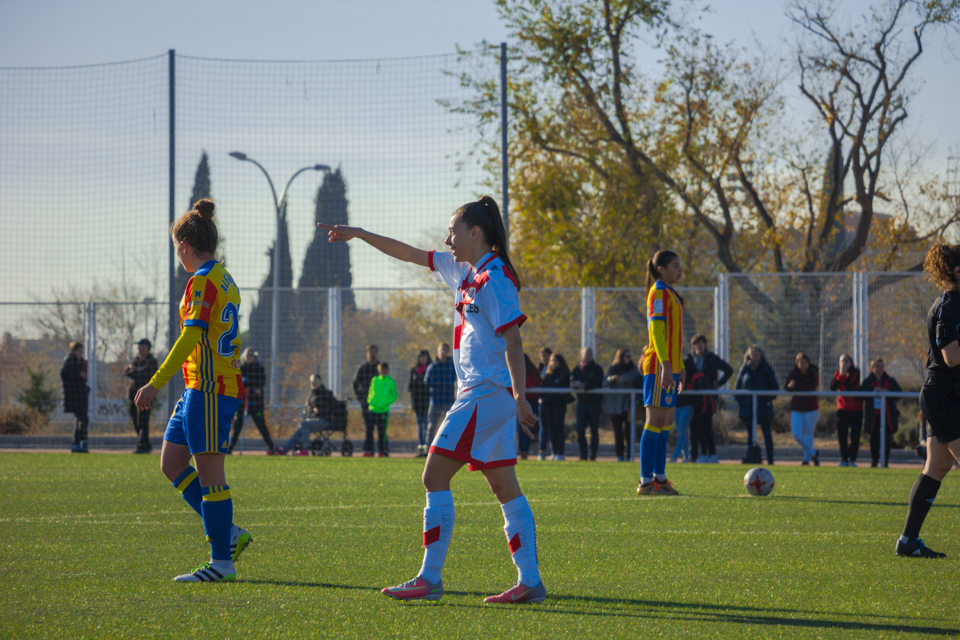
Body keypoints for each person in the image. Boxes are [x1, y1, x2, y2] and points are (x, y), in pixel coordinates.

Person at [319, 195, 545, 604]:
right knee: (504, 487)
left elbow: (513, 338)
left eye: (453, 231)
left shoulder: (495, 278)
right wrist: (360, 234)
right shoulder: (464, 270)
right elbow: (407, 253)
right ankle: (529, 581)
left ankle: (430, 577)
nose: (447, 238)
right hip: (486, 396)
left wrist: (520, 396)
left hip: (484, 394)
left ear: (476, 233)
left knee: (433, 476)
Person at [133, 199, 252, 583]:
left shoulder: (202, 280)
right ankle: (229, 533)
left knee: (211, 475)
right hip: (198, 388)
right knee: (171, 463)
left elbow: (191, 337)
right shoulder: (224, 277)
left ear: (183, 245)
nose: (177, 256)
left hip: (212, 389)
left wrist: (154, 382)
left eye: (175, 249)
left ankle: (222, 562)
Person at [896, 241, 960, 558]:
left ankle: (908, 541)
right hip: (945, 396)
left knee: (938, 466)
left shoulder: (952, 301)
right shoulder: (950, 304)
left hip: (943, 394)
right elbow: (951, 357)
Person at [637, 250, 685, 496]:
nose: (680, 270)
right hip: (658, 367)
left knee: (666, 422)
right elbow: (656, 331)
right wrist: (666, 364)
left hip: (670, 367)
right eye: (675, 266)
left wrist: (680, 366)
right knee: (654, 421)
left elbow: (673, 335)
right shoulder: (658, 292)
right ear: (661, 270)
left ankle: (660, 478)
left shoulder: (671, 294)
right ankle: (645, 483)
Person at [683, 335, 733, 464]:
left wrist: (718, 383)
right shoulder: (688, 360)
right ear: (693, 345)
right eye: (697, 343)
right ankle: (698, 455)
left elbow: (729, 370)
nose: (700, 345)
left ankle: (708, 454)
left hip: (708, 397)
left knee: (702, 426)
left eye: (702, 343)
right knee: (695, 426)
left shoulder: (712, 358)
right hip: (694, 398)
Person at [227, 348, 276, 455]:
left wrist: (249, 383)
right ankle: (230, 448)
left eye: (251, 355)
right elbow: (238, 383)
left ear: (255, 357)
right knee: (238, 425)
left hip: (255, 403)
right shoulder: (240, 368)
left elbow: (260, 383)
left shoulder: (259, 368)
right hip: (241, 403)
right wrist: (248, 384)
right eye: (247, 355)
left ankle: (271, 447)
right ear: (243, 356)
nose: (249, 357)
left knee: (261, 424)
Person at [735, 345, 778, 465]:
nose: (755, 357)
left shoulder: (767, 369)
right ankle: (751, 459)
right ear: (748, 356)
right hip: (748, 409)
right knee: (750, 437)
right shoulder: (744, 369)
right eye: (752, 355)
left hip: (763, 409)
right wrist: (742, 402)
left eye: (757, 355)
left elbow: (774, 388)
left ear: (761, 356)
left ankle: (770, 460)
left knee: (767, 435)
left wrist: (764, 399)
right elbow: (737, 388)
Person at [278, 374, 336, 455]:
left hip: (324, 420)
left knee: (304, 424)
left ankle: (305, 449)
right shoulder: (311, 394)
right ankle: (285, 449)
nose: (313, 384)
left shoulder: (326, 394)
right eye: (312, 382)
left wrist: (320, 410)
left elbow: (332, 408)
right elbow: (308, 407)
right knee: (301, 427)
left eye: (315, 382)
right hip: (312, 420)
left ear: (320, 382)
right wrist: (312, 409)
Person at [859, 358, 901, 468]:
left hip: (887, 416)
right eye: (877, 366)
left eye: (881, 366)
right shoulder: (868, 381)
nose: (879, 369)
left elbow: (899, 393)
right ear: (872, 368)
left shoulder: (889, 380)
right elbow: (860, 394)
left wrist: (888, 392)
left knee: (887, 440)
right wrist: (872, 392)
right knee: (874, 440)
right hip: (874, 416)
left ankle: (885, 462)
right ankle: (874, 462)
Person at [602, 348, 639, 462]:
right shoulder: (613, 368)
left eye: (630, 356)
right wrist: (612, 378)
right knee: (618, 432)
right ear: (621, 357)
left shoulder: (634, 369)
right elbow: (604, 383)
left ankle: (629, 455)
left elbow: (637, 379)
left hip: (628, 405)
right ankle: (620, 455)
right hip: (614, 405)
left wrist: (624, 379)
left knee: (629, 431)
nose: (629, 358)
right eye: (626, 356)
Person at [124, 338, 159, 453]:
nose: (139, 349)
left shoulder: (152, 361)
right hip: (133, 394)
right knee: (134, 418)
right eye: (139, 347)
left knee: (143, 420)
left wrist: (135, 371)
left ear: (148, 348)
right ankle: (146, 444)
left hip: (146, 396)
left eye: (141, 347)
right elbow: (126, 372)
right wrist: (137, 370)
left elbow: (147, 375)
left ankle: (141, 445)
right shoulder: (135, 359)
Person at [786, 353, 821, 466]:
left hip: (811, 408)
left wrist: (796, 385)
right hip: (797, 407)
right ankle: (813, 453)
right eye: (801, 362)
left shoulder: (813, 372)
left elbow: (811, 386)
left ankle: (806, 460)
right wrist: (790, 386)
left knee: (808, 434)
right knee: (796, 433)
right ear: (797, 363)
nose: (803, 364)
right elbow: (787, 386)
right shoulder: (793, 373)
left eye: (805, 362)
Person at [571, 346, 605, 461]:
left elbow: (598, 383)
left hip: (594, 404)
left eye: (590, 353)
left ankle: (592, 455)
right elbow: (571, 382)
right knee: (580, 430)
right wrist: (574, 385)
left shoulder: (597, 369)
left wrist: (584, 386)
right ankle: (583, 455)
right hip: (581, 404)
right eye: (586, 353)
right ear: (581, 355)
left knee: (594, 431)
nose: (588, 355)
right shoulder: (576, 370)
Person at [830, 354, 863, 467]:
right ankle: (844, 459)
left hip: (856, 409)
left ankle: (852, 459)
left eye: (846, 361)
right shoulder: (837, 374)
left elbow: (851, 387)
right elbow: (833, 387)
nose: (844, 363)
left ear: (851, 363)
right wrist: (841, 375)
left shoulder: (855, 373)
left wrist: (844, 375)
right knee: (842, 436)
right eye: (841, 361)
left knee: (854, 436)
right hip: (842, 409)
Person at [539, 353, 572, 461]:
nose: (554, 363)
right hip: (547, 405)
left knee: (558, 428)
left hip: (559, 406)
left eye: (556, 360)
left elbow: (566, 389)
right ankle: (553, 452)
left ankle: (560, 452)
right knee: (551, 429)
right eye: (552, 361)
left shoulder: (565, 374)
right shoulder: (547, 375)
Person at [424, 343, 457, 447]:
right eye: (441, 349)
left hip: (448, 400)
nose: (443, 351)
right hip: (435, 401)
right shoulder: (432, 366)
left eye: (445, 349)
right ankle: (428, 448)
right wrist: (441, 383)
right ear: (437, 351)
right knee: (431, 425)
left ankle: (448, 447)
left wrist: (438, 383)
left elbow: (453, 379)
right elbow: (427, 381)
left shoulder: (452, 365)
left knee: (449, 425)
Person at [61, 341, 90, 453]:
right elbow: (64, 374)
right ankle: (77, 443)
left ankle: (80, 442)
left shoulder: (81, 361)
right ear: (73, 350)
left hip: (81, 393)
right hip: (74, 395)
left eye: (82, 350)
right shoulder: (70, 360)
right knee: (82, 418)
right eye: (79, 350)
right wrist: (79, 374)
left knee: (82, 419)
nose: (81, 352)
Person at [353, 344, 381, 457]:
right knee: (368, 427)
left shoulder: (380, 368)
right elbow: (355, 383)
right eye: (370, 352)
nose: (372, 355)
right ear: (367, 354)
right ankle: (368, 450)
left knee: (380, 428)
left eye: (374, 352)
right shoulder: (362, 368)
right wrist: (360, 397)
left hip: (379, 403)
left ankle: (382, 450)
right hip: (367, 403)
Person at [367, 361, 397, 457]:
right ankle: (369, 450)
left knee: (382, 432)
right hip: (372, 409)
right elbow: (370, 392)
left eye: (384, 370)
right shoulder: (374, 380)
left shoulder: (390, 382)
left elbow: (394, 396)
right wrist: (370, 401)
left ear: (387, 370)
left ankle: (382, 451)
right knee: (369, 431)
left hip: (383, 410)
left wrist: (384, 403)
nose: (382, 372)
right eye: (380, 370)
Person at [517, 353, 541, 460]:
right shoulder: (514, 371)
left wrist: (520, 387)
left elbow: (535, 384)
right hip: (517, 404)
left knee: (526, 430)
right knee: (519, 431)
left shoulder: (532, 371)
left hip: (530, 403)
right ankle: (520, 452)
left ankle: (525, 453)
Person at [409, 350, 433, 457]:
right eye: (421, 357)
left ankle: (427, 446)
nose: (423, 359)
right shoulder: (414, 370)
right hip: (416, 401)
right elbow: (410, 386)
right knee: (419, 424)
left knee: (425, 424)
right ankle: (421, 445)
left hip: (427, 401)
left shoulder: (431, 369)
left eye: (425, 357)